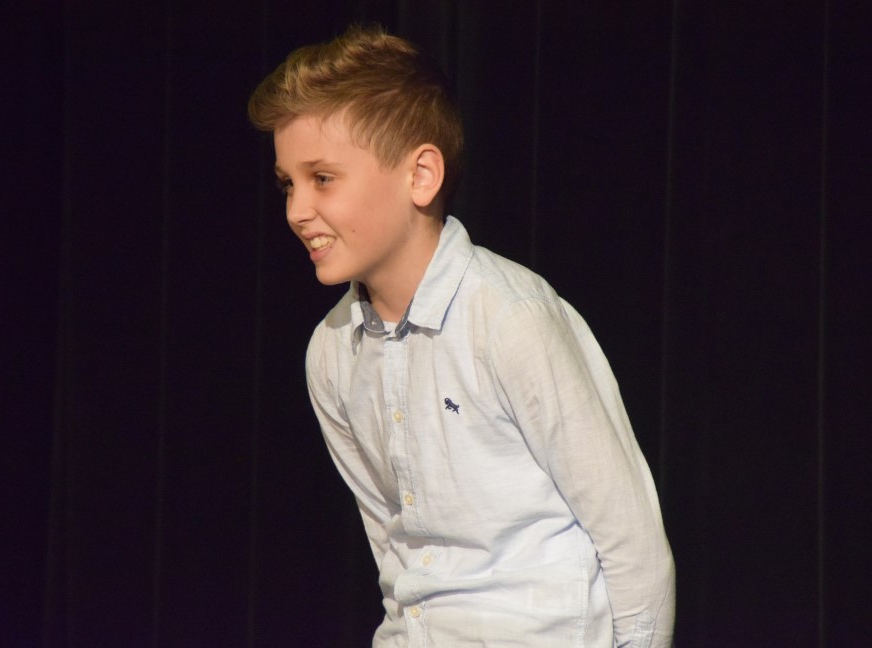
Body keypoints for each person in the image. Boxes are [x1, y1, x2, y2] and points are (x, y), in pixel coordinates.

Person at [248, 24, 675, 647]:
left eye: (323, 178)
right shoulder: (332, 353)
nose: (296, 210)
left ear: (421, 175)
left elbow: (631, 540)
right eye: (288, 182)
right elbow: (392, 550)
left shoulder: (509, 318)